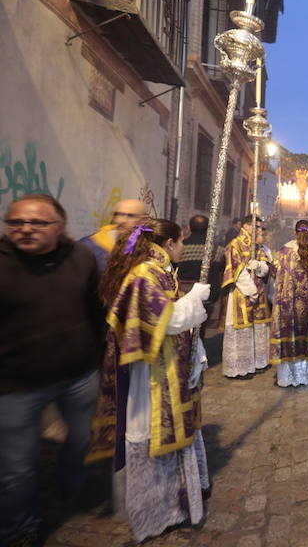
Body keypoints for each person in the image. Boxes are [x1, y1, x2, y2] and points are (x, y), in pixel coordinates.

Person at [87, 218, 210, 543]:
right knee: (150, 433)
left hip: (165, 365)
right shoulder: (144, 274)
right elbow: (165, 320)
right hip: (150, 376)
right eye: (181, 242)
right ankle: (155, 512)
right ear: (168, 244)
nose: (184, 247)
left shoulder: (158, 270)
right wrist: (194, 299)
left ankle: (174, 505)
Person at [0, 195, 105, 547]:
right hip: (16, 384)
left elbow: (94, 308)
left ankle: (70, 484)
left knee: (82, 440)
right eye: (16, 222)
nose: (25, 229)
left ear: (59, 227)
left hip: (78, 375)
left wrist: (101, 353)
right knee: (17, 467)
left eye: (37, 223)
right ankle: (19, 528)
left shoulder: (81, 257)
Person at [270, 220, 308, 386]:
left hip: (288, 306)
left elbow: (274, 272)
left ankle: (287, 377)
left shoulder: (284, 251)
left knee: (290, 333)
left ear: (294, 232)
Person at [221, 215, 272, 378]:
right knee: (242, 329)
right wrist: (251, 291)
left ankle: (258, 362)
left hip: (259, 292)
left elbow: (265, 268)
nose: (259, 230)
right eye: (257, 227)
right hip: (242, 293)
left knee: (257, 328)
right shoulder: (234, 245)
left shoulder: (257, 246)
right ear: (247, 226)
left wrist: (259, 266)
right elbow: (237, 272)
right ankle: (239, 368)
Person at [79, 198, 149, 272]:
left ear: (144, 221)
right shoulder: (90, 247)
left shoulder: (148, 248)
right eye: (117, 214)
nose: (121, 220)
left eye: (130, 216)